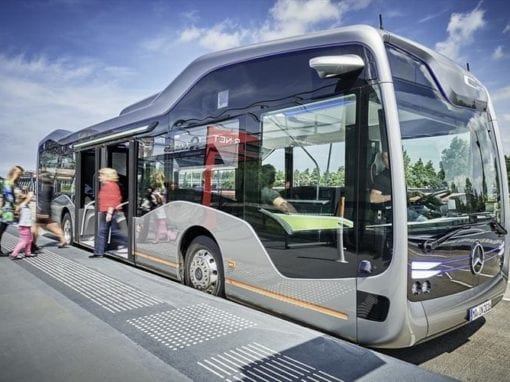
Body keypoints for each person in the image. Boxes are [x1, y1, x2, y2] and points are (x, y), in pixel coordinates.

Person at [90, 167, 126, 258]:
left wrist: (109, 213)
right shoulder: (108, 185)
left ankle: (126, 243)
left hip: (110, 212)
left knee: (108, 232)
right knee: (106, 231)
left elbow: (113, 199)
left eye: (101, 175)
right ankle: (99, 252)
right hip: (106, 211)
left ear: (107, 176)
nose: (99, 177)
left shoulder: (111, 185)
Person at [31, 171, 67, 253]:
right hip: (47, 210)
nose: (39, 178)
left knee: (37, 227)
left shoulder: (44, 187)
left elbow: (43, 200)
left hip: (43, 211)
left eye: (40, 176)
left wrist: (41, 211)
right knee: (52, 225)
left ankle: (33, 245)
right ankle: (62, 239)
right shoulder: (50, 186)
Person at [0, 165, 24, 256]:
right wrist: (15, 207)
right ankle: (31, 245)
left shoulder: (12, 183)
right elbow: (9, 197)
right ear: (14, 173)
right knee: (2, 228)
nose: (19, 177)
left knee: (3, 228)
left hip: (9, 210)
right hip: (7, 210)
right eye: (19, 174)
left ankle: (30, 245)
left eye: (20, 175)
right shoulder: (7, 183)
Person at [10, 190, 37, 260]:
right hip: (24, 227)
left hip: (26, 226)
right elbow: (29, 196)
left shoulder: (26, 205)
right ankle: (14, 253)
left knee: (30, 240)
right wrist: (29, 194)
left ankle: (28, 253)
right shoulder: (23, 205)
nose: (31, 200)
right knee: (23, 241)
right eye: (29, 199)